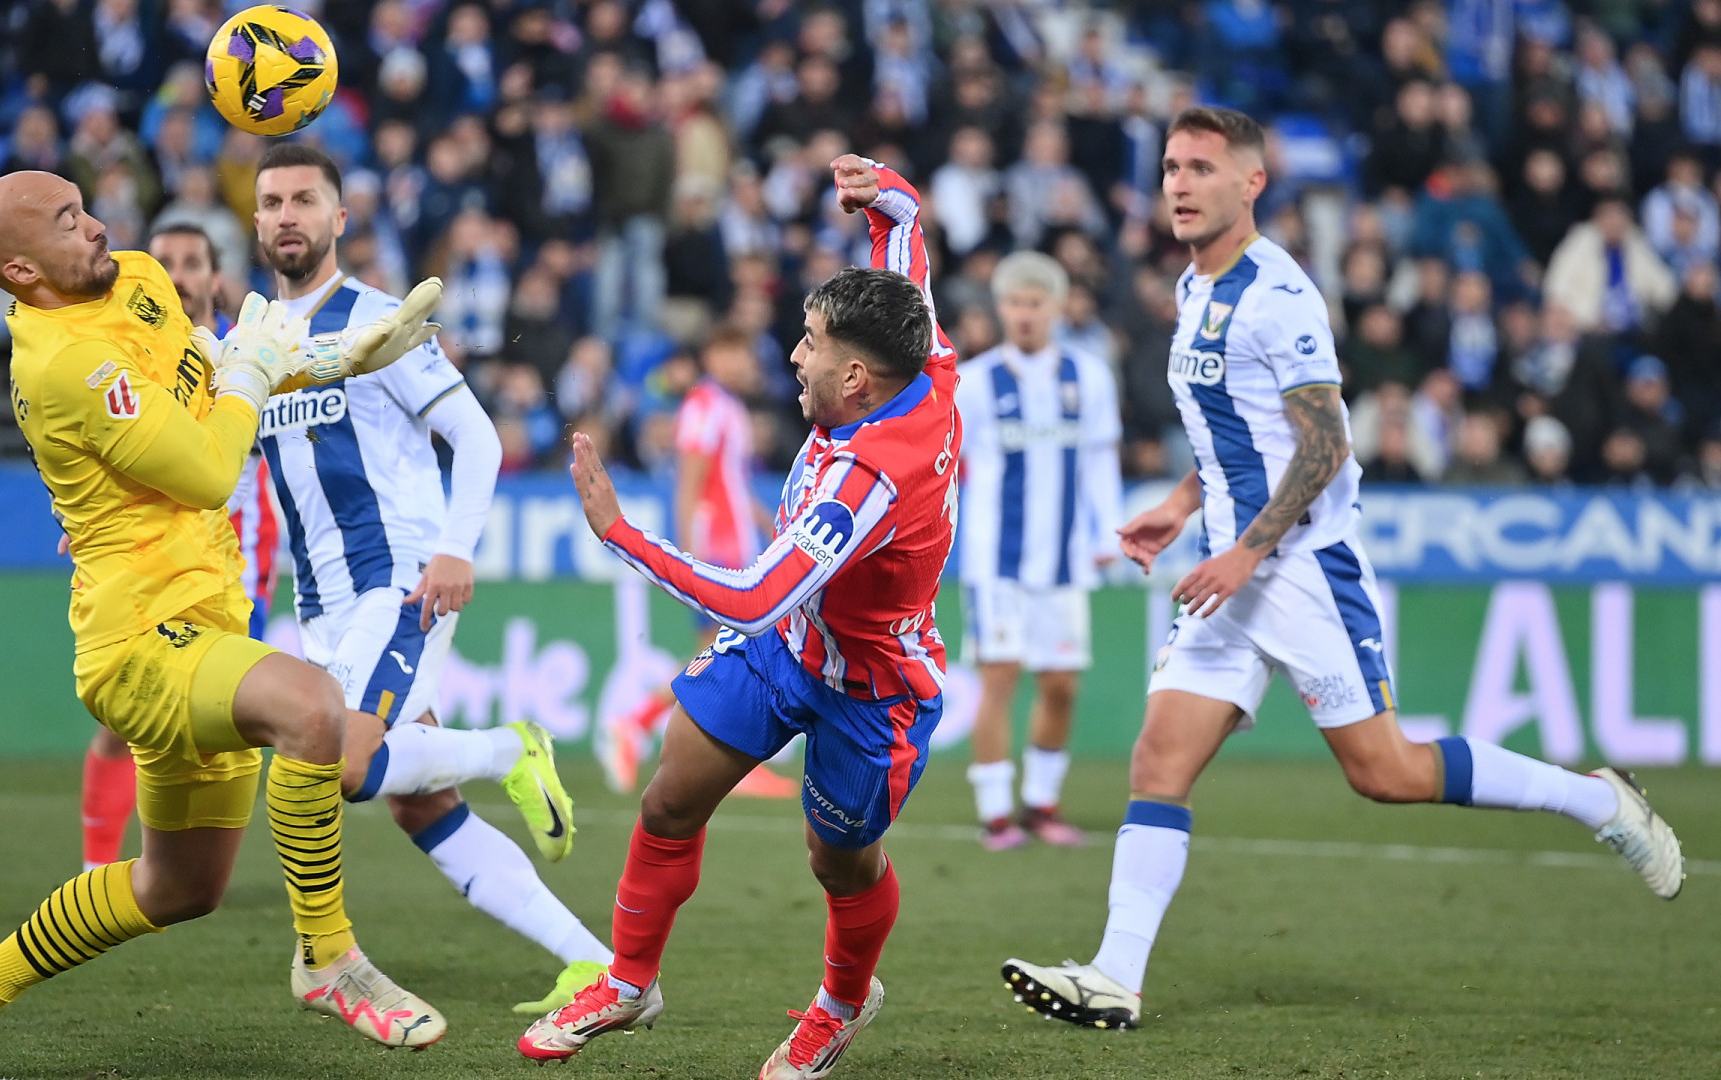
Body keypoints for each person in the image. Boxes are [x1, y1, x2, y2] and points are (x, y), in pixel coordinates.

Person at [1000, 107, 1684, 1032]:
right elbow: (1239, 435)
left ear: (1252, 183)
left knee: (1386, 772)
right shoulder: (1196, 287)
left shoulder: (1277, 295)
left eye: (1202, 167)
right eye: (1170, 166)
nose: (1180, 183)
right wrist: (1181, 505)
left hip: (1298, 568)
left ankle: (1600, 802)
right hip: (1228, 568)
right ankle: (1117, 975)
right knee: (1158, 758)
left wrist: (1246, 548)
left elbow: (1325, 444)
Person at [0, 170, 451, 1078]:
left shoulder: (136, 277)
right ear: (19, 269)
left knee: (179, 888)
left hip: (207, 615)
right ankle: (330, 958)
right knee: (315, 707)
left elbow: (214, 394)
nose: (97, 227)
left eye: (84, 206)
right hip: (138, 639)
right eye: (67, 222)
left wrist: (332, 359)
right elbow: (206, 470)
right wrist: (252, 366)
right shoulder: (63, 365)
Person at [519, 154, 960, 1080]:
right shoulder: (923, 354)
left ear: (855, 382)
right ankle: (630, 979)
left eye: (809, 344)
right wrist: (879, 191)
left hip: (871, 688)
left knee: (838, 862)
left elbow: (757, 595)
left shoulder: (865, 479)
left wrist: (621, 534)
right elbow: (908, 240)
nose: (792, 355)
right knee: (670, 796)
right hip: (788, 652)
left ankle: (842, 1003)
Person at [246, 143, 609, 1015]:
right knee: (420, 804)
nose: (287, 215)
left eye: (304, 200)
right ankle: (592, 962)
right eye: (271, 202)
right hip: (324, 603)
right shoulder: (251, 346)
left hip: (399, 578)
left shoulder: (383, 320)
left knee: (341, 763)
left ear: (340, 219)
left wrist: (455, 549)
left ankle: (509, 749)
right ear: (255, 221)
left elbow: (478, 438)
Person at [78, 223, 283, 873]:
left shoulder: (244, 350)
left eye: (191, 262)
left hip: (235, 561)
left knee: (225, 721)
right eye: (163, 261)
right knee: (125, 721)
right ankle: (102, 867)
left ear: (214, 279)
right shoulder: (125, 357)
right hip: (147, 556)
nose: (178, 273)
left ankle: (182, 867)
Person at [956, 251, 1122, 851]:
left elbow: (1101, 459)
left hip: (1064, 559)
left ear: (1057, 307)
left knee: (1061, 685)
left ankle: (1041, 805)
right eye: (1014, 303)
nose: (1024, 315)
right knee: (998, 678)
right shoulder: (973, 384)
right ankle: (995, 815)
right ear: (1000, 308)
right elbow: (948, 469)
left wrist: (1108, 533)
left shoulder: (1090, 377)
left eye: (1035, 303)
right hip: (994, 561)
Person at [596, 325, 798, 800]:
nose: (746, 364)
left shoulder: (725, 406)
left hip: (737, 543)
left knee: (731, 655)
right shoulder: (705, 406)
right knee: (725, 655)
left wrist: (770, 524)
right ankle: (634, 723)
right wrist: (687, 557)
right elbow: (689, 483)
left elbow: (731, 482)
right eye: (735, 352)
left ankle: (658, 732)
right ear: (713, 354)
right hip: (716, 546)